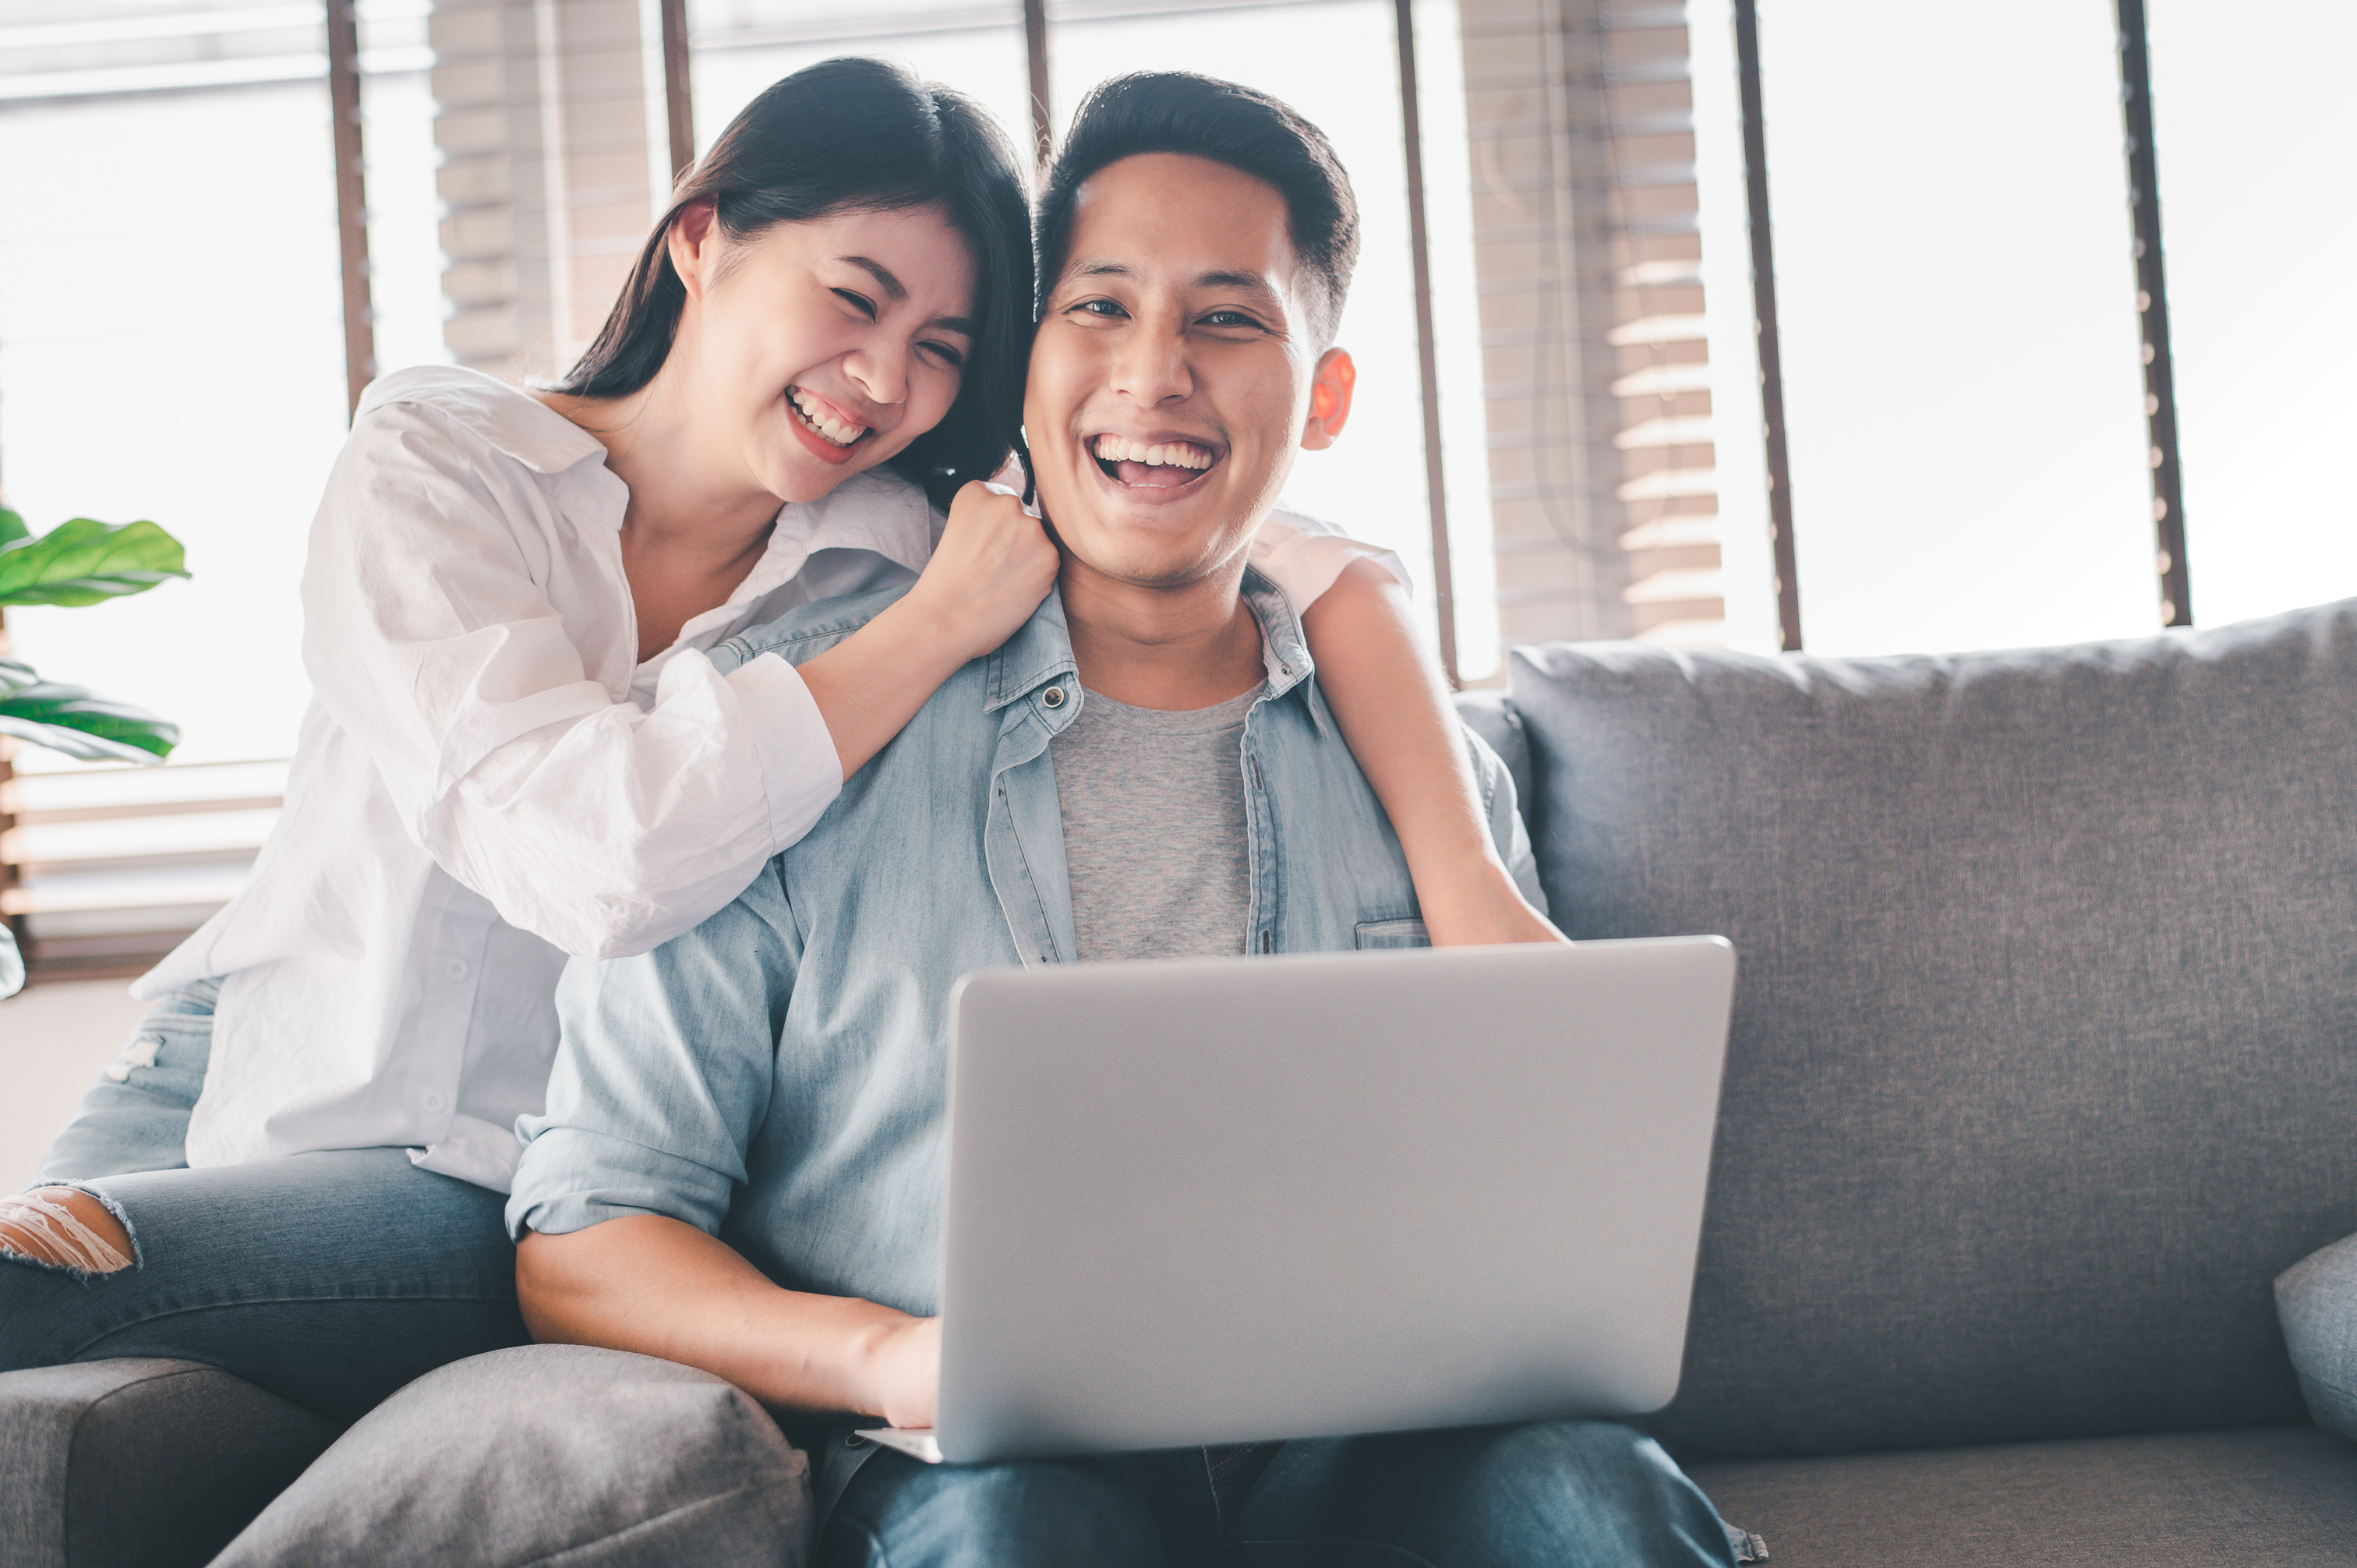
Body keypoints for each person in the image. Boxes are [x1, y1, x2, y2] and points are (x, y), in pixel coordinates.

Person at [0, 56, 1552, 1418]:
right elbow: (593, 856)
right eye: (853, 296)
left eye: (944, 345)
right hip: (244, 1070)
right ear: (701, 238)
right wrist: (935, 626)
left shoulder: (887, 535)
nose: (883, 382)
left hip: (475, 1174)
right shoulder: (444, 469)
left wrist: (1462, 866)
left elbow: (1293, 548)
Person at [506, 72, 1737, 1566]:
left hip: (1372, 1447)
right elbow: (586, 1239)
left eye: (1228, 320)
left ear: (1323, 397)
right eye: (1099, 308)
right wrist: (893, 1360)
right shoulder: (784, 729)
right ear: (1024, 360)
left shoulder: (1417, 757)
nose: (1155, 377)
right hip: (985, 1469)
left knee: (1593, 1501)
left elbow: (1546, 1197)